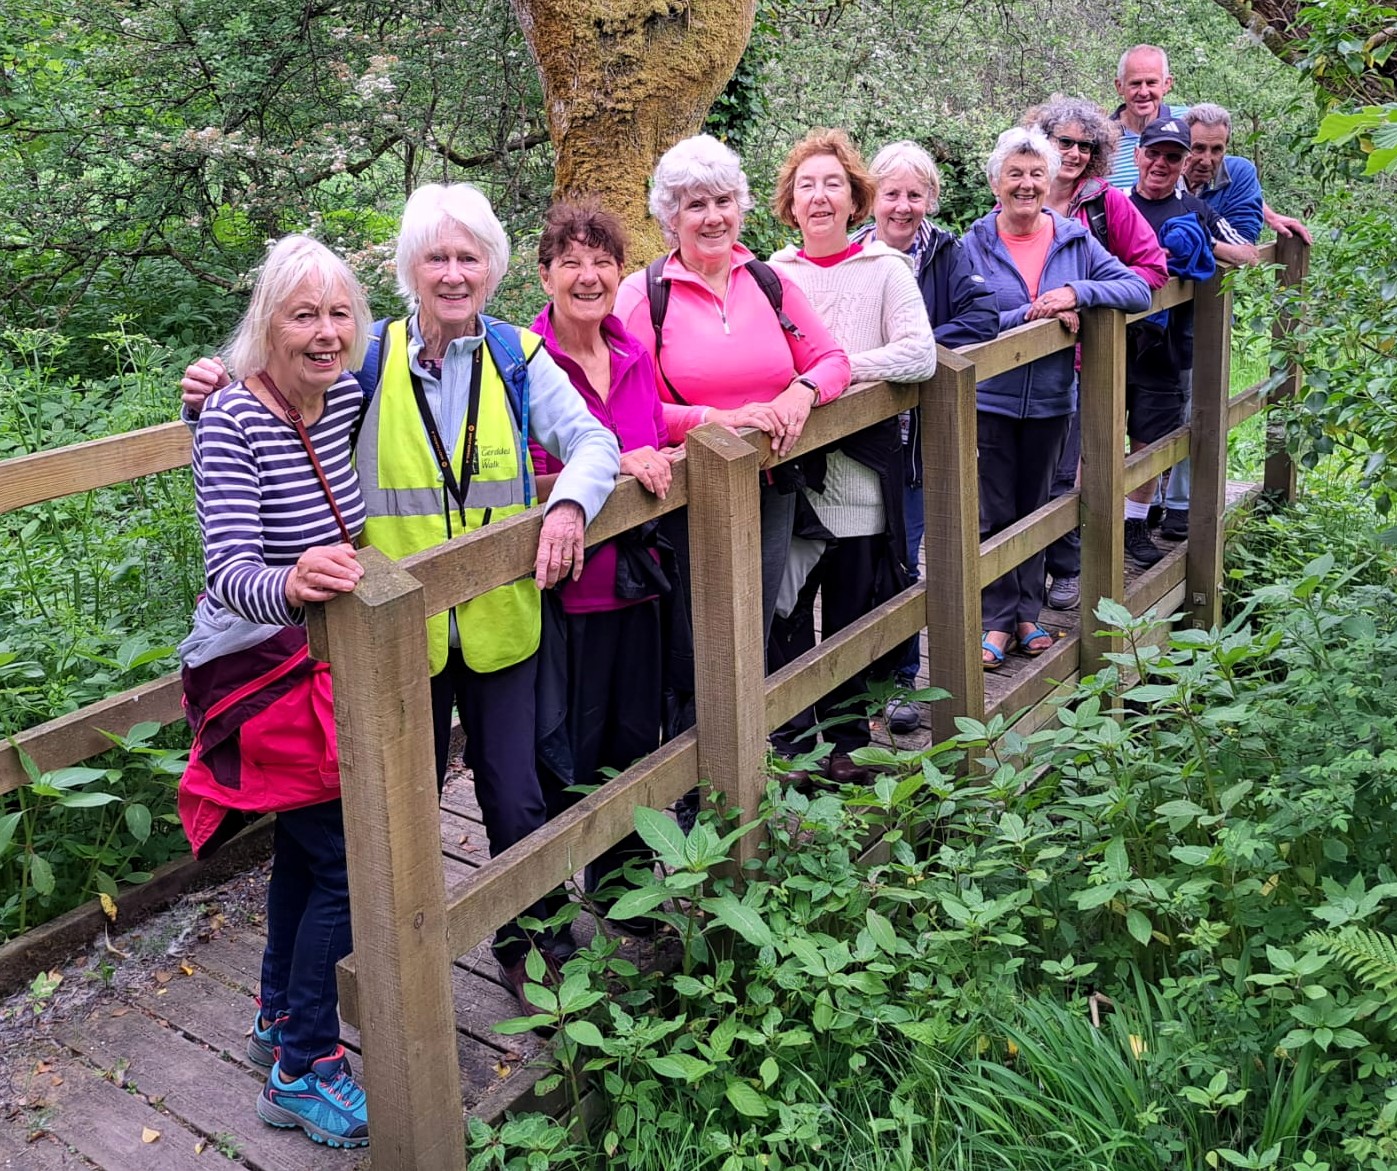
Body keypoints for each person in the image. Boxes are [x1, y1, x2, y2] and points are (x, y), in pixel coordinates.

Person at [180, 184, 621, 1015]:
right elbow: (282, 393)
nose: (453, 274)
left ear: (492, 269)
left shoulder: (519, 357)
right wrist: (209, 389)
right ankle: (391, 968)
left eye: (469, 258)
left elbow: (595, 440)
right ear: (410, 269)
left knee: (516, 794)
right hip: (391, 641)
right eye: (436, 257)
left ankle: (532, 943)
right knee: (395, 807)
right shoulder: (366, 359)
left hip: (499, 624)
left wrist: (568, 505)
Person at [177, 234, 372, 1146]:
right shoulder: (232, 418)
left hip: (325, 665)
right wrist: (292, 583)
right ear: (268, 324)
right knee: (342, 861)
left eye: (338, 313)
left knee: (306, 849)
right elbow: (227, 571)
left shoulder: (346, 398)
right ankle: (304, 1065)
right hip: (265, 672)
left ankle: (276, 1013)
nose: (325, 332)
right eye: (303, 315)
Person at [612, 134, 851, 646]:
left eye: (723, 201)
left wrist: (801, 392)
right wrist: (713, 420)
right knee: (700, 642)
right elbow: (625, 409)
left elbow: (833, 360)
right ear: (671, 217)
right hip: (686, 495)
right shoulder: (643, 296)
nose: (713, 217)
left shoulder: (768, 282)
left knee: (754, 630)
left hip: (770, 485)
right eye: (696, 205)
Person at [765, 128, 938, 779]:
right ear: (790, 202)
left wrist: (832, 372)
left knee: (850, 620)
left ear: (854, 198)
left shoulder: (885, 269)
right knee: (784, 610)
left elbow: (918, 354)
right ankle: (790, 744)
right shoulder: (772, 275)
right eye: (805, 185)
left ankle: (843, 749)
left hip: (862, 480)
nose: (819, 196)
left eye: (832, 184)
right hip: (791, 482)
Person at [527, 201, 675, 933]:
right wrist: (615, 463)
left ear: (621, 272)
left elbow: (655, 434)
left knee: (633, 739)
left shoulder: (631, 350)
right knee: (561, 752)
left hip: (637, 581)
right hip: (563, 592)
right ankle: (544, 907)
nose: (588, 276)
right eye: (572, 262)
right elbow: (520, 472)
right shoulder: (523, 361)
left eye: (603, 261)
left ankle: (621, 886)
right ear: (545, 275)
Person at [961, 128, 1152, 668]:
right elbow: (963, 323)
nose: (1025, 184)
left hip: (1051, 401)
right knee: (995, 512)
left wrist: (1077, 293)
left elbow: (1138, 288)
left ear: (1049, 182)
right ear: (996, 183)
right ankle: (997, 619)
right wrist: (1028, 315)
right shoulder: (973, 243)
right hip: (990, 401)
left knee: (1039, 508)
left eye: (1035, 174)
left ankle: (1028, 614)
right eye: (1014, 174)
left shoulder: (1074, 240)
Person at [851, 139, 999, 731]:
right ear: (872, 198)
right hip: (856, 436)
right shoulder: (853, 256)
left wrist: (915, 351)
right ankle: (846, 687)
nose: (903, 206)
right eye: (891, 194)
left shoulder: (947, 252)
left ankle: (901, 681)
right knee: (853, 560)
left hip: (916, 443)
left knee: (902, 558)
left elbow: (983, 316)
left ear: (931, 199)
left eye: (915, 194)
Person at [1024, 97, 1169, 610]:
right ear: (1042, 142)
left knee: (1066, 472)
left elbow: (1151, 270)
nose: (1075, 154)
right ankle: (1019, 580)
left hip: (1083, 363)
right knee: (1023, 475)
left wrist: (1082, 294)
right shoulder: (1018, 193)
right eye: (1064, 142)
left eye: (1086, 146)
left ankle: (1066, 569)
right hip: (1018, 366)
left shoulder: (1107, 204)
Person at [1122, 116, 1258, 564]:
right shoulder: (1115, 207)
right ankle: (1092, 526)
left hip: (1166, 350)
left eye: (1173, 156)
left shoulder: (1196, 211)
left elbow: (1248, 254)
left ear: (1183, 164)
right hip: (1111, 346)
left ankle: (1134, 524)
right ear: (1138, 155)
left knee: (1150, 441)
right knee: (1094, 438)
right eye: (1154, 154)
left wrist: (1198, 244)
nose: (1161, 163)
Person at [1106, 44, 1313, 244]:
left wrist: (1270, 216)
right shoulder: (1104, 139)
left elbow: (1219, 165)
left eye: (1151, 83)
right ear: (1119, 86)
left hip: (1186, 218)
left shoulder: (1188, 120)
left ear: (1167, 84)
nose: (1143, 92)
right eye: (1135, 84)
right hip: (1131, 235)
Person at [1183, 103, 1264, 244]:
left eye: (1216, 150)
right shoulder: (1162, 175)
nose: (1206, 161)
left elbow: (1243, 240)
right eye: (1199, 148)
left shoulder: (1239, 173)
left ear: (1226, 148)